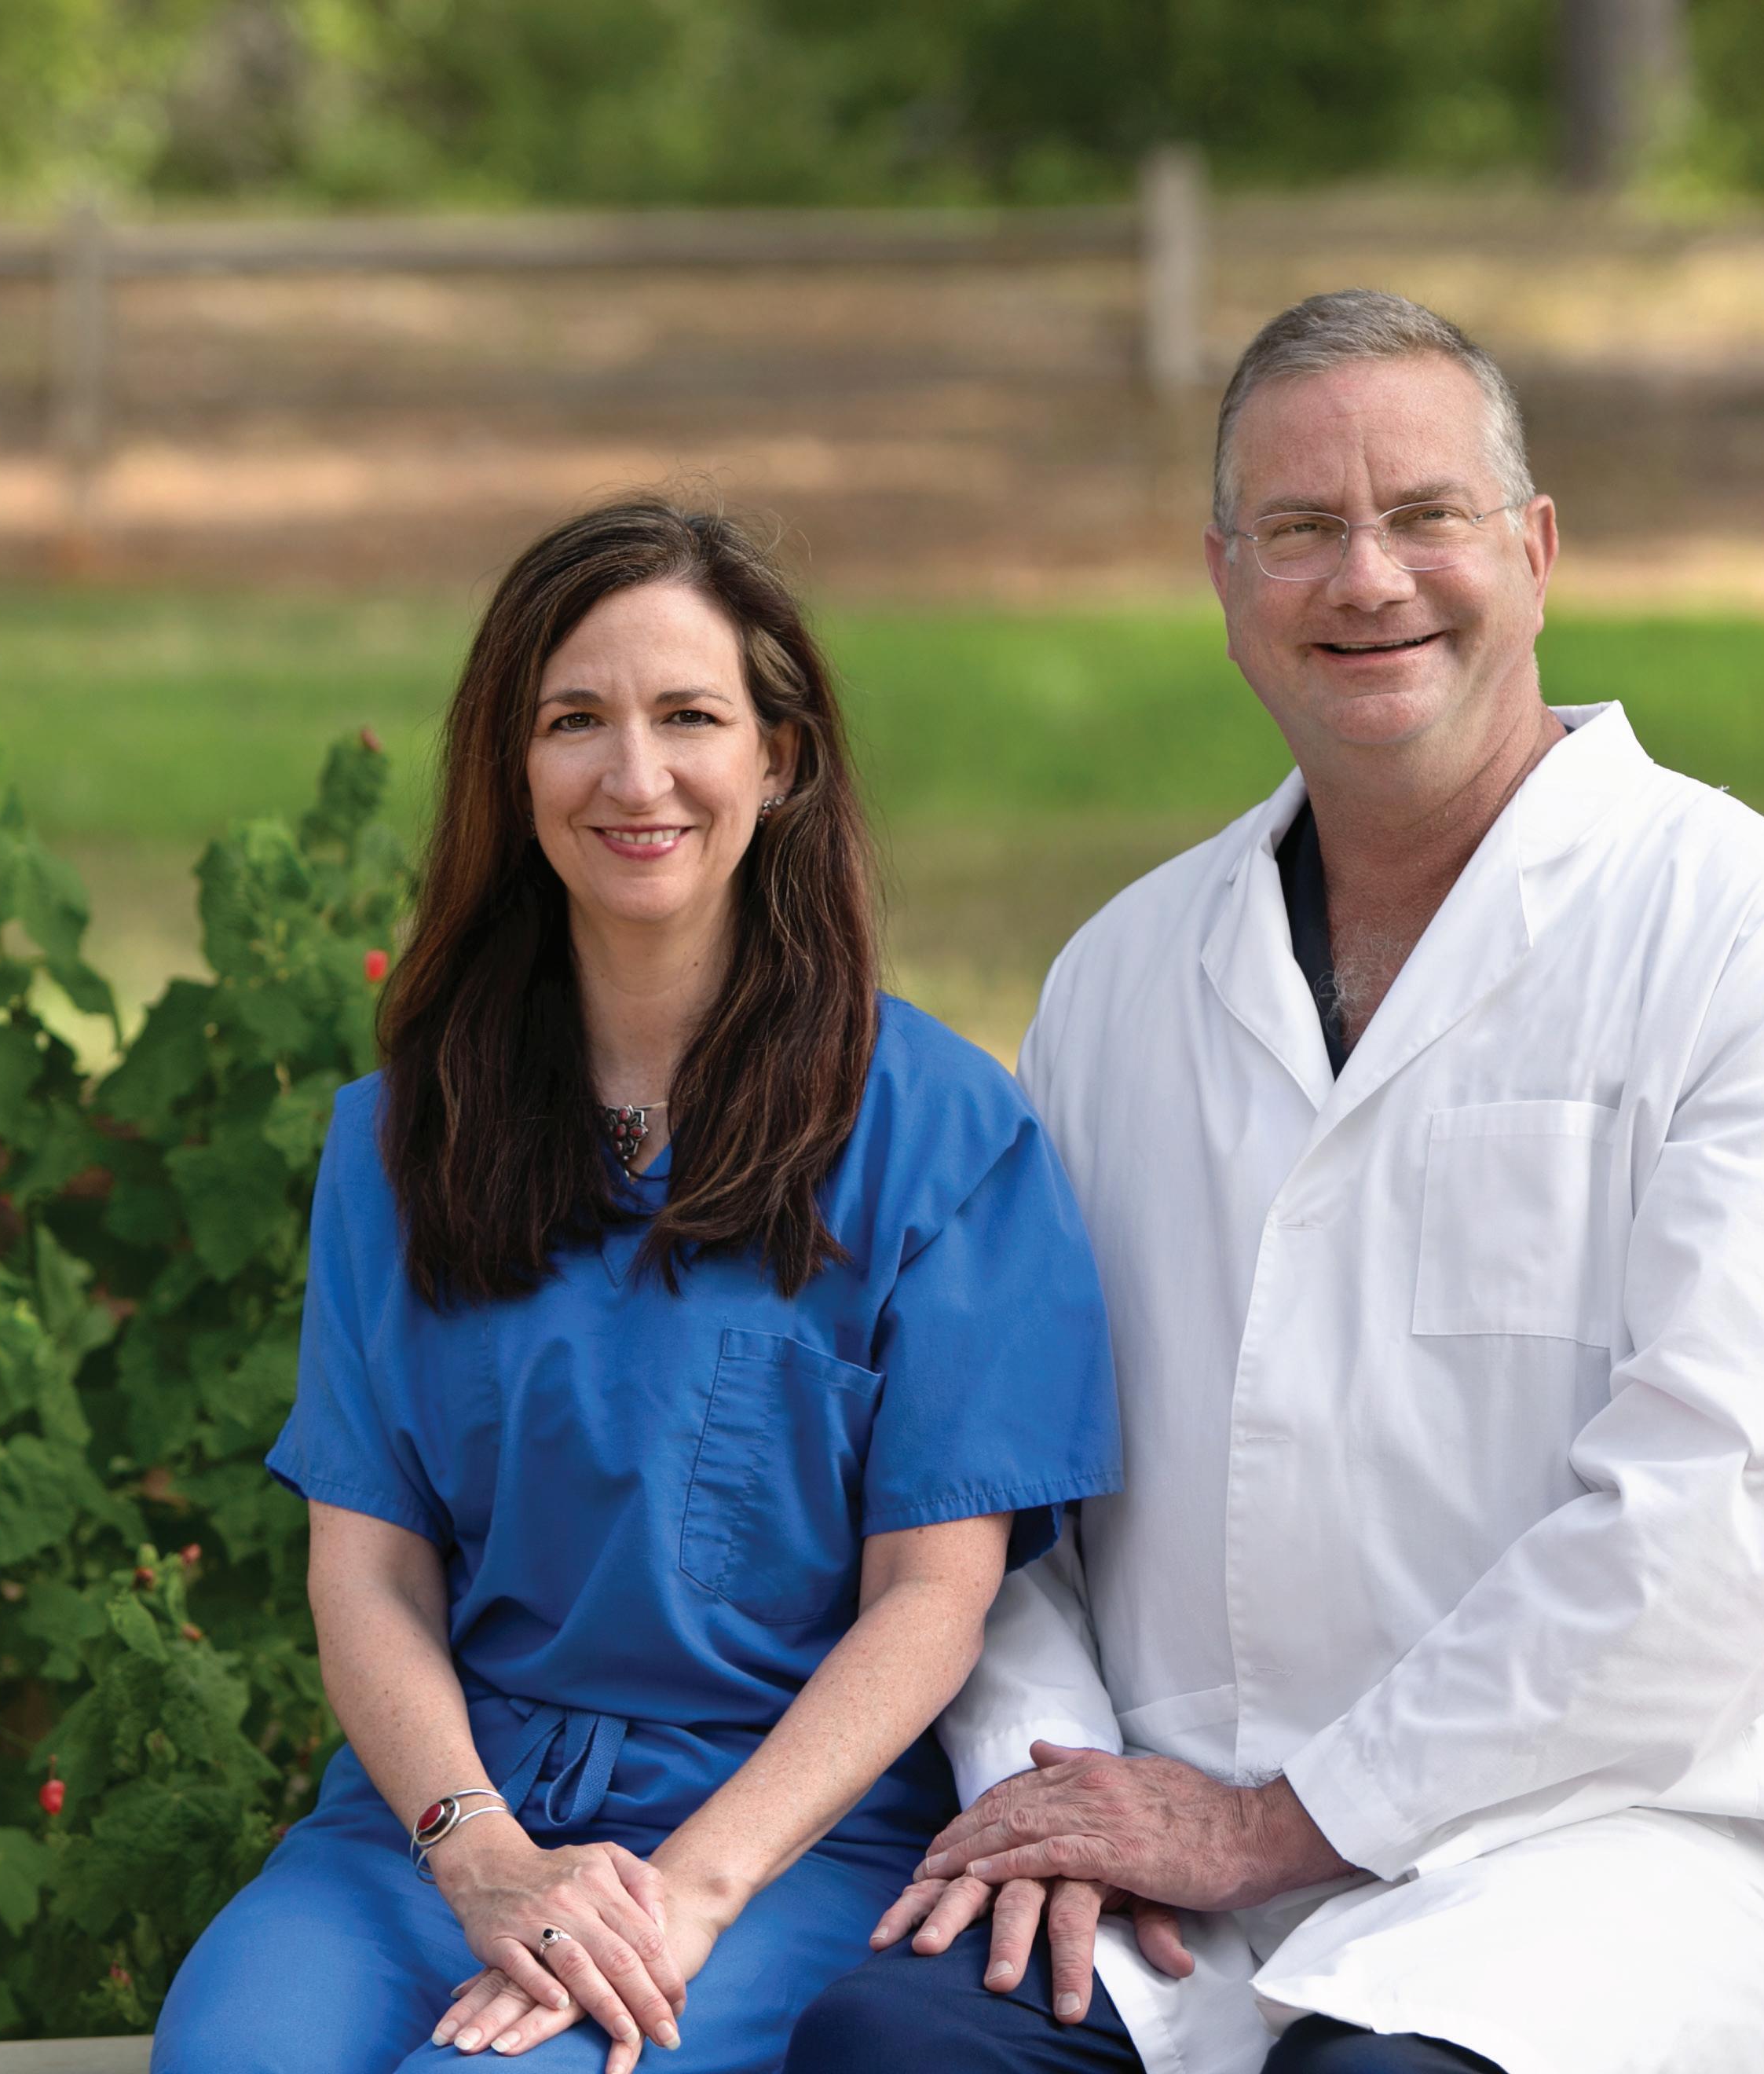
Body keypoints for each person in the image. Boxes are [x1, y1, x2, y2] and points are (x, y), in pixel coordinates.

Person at [781, 291, 1764, 2074]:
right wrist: (1056, 1791)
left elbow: (1723, 1517)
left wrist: (1284, 1826)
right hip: (1171, 1847)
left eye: (1426, 515)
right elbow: (1008, 1488)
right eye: (1301, 528)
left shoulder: (1744, 941)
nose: (1369, 577)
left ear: (1535, 551)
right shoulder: (1118, 981)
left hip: (1610, 1841)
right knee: (895, 2053)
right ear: (1224, 579)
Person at [151, 500, 1123, 2074]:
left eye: (689, 718)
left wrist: (688, 1895)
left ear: (779, 759)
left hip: (778, 1851)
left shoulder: (943, 1136)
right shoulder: (403, 1137)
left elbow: (933, 1599)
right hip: (441, 1826)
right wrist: (480, 1853)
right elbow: (370, 1571)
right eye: (574, 722)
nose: (634, 775)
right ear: (513, 767)